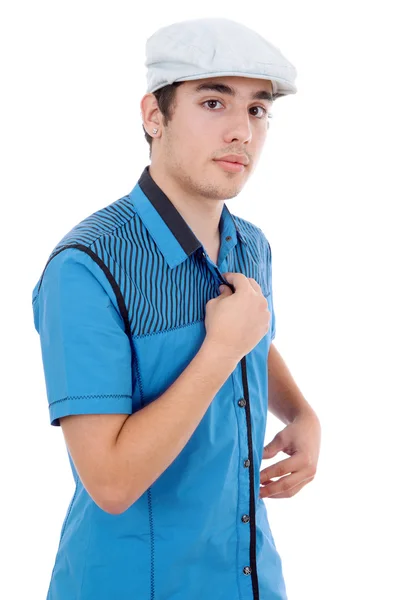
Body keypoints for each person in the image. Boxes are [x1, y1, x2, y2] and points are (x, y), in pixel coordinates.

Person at [32, 16, 321, 600]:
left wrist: (302, 414)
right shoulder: (86, 267)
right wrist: (220, 349)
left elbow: (253, 337)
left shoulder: (251, 245)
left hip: (250, 579)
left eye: (258, 110)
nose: (242, 131)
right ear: (153, 116)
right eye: (214, 102)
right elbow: (110, 484)